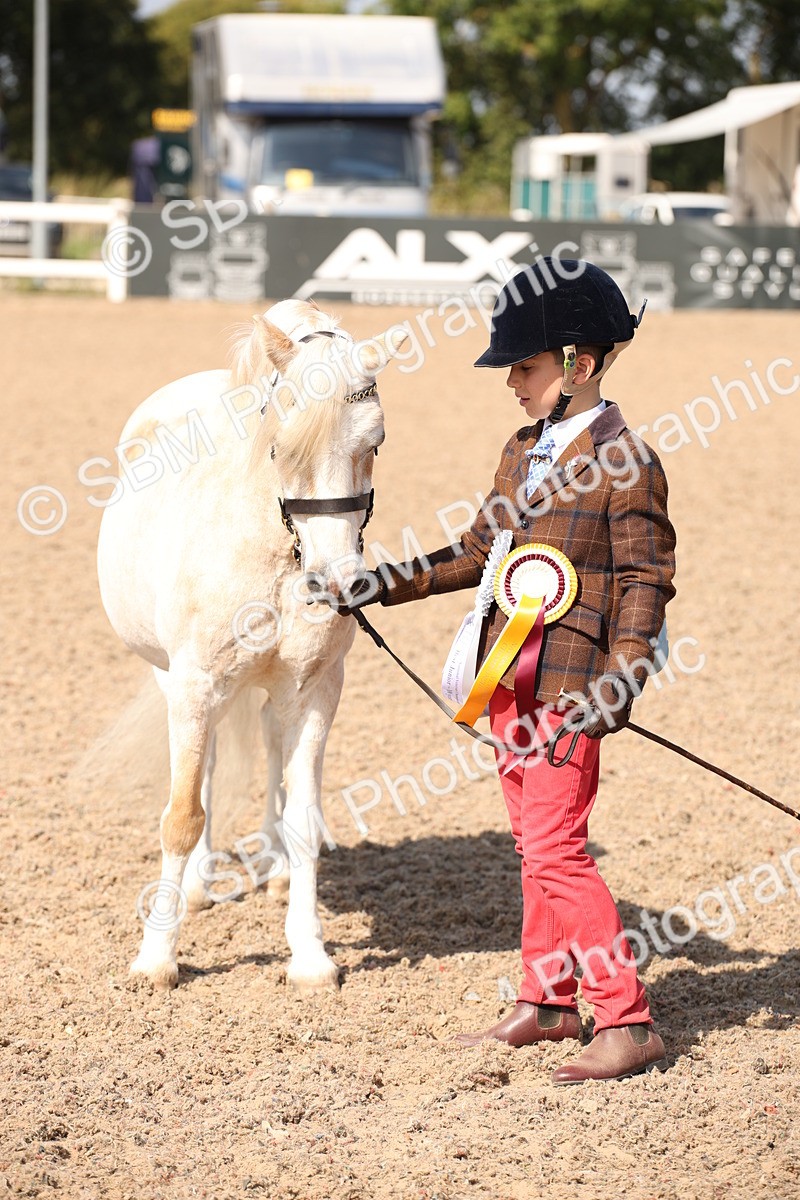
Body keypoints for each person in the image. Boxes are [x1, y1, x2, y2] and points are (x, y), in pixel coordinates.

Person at [343, 258, 677, 1085]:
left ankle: (627, 1020)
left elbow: (646, 578)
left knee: (559, 848)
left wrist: (624, 676)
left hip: (574, 687)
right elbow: (476, 553)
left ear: (579, 364)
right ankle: (549, 1001)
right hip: (510, 681)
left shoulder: (628, 460)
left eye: (523, 368)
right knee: (534, 847)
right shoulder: (522, 450)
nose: (511, 384)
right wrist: (381, 583)